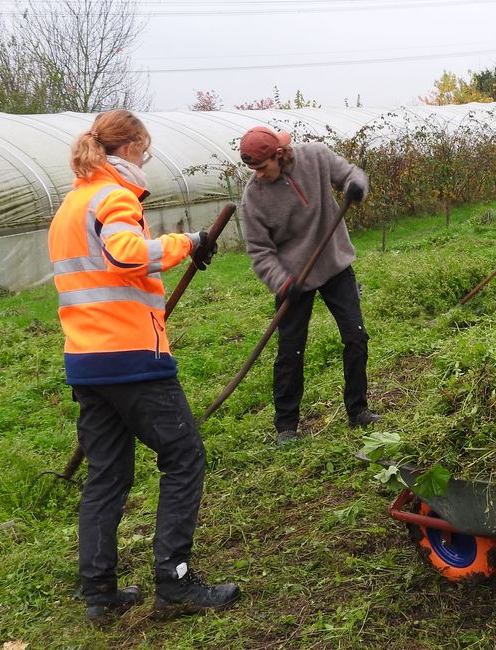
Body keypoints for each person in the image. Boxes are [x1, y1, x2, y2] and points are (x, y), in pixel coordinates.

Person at [47, 109, 240, 622]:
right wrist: (186, 243)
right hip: (133, 358)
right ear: (131, 147)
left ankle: (100, 594)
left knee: (107, 475)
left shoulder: (70, 205)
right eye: (145, 150)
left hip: (87, 361)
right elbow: (127, 255)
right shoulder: (113, 195)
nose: (145, 159)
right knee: (184, 457)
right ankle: (174, 583)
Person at [238, 126, 380, 445]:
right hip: (292, 279)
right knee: (291, 350)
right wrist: (281, 281)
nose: (258, 175)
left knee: (355, 337)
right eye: (253, 170)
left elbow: (350, 174)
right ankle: (286, 426)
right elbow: (259, 251)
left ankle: (358, 411)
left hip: (333, 264)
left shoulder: (315, 156)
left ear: (279, 154)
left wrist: (356, 187)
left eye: (262, 167)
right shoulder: (254, 198)